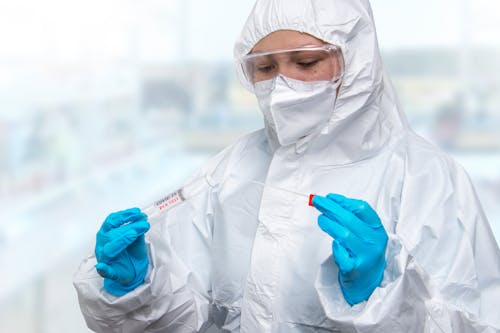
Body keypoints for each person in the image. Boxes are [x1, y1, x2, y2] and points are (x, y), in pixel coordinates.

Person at [74, 0, 500, 332]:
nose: (282, 84)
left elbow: (477, 321)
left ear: (357, 59)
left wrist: (388, 300)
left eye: (306, 63)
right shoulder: (230, 172)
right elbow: (182, 321)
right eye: (265, 67)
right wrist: (138, 289)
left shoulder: (428, 180)